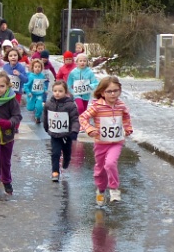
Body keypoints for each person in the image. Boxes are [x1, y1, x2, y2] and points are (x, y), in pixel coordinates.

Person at [80, 77, 134, 206]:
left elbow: (126, 117)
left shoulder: (121, 105)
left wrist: (128, 128)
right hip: (101, 143)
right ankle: (100, 189)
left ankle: (114, 189)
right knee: (100, 169)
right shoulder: (97, 106)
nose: (113, 94)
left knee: (110, 163)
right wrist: (89, 129)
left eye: (116, 91)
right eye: (109, 91)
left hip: (116, 142)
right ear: (102, 92)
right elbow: (82, 118)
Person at [43, 81, 80, 182]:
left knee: (67, 151)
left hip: (67, 134)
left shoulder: (70, 105)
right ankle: (55, 172)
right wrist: (46, 127)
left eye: (60, 91)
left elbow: (75, 119)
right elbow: (46, 116)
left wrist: (74, 131)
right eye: (55, 91)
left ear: (65, 92)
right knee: (55, 153)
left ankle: (67, 160)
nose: (57, 93)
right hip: (55, 134)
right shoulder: (49, 104)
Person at [23, 59, 49, 123]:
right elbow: (26, 86)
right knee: (30, 108)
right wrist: (28, 93)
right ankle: (32, 104)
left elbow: (43, 84)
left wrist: (45, 90)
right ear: (33, 68)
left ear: (41, 68)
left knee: (39, 107)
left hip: (39, 94)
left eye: (39, 67)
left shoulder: (42, 76)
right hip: (32, 95)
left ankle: (37, 117)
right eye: (36, 67)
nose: (37, 68)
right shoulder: (31, 76)